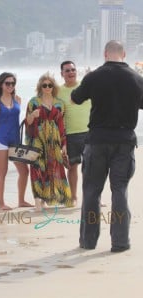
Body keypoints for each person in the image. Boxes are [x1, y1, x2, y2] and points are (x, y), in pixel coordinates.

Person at [71, 40, 143, 252]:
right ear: (124, 53)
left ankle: (88, 240)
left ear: (104, 54)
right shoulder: (136, 78)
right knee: (119, 190)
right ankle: (120, 242)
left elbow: (75, 99)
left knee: (92, 190)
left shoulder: (94, 76)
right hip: (124, 140)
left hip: (97, 139)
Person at [0, 72, 32, 210]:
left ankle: (21, 201)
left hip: (15, 139)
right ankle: (1, 204)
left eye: (13, 83)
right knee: (2, 171)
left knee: (24, 171)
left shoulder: (18, 99)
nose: (10, 86)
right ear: (1, 84)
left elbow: (23, 120)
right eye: (7, 83)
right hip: (0, 139)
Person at [25, 72, 72, 211]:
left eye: (49, 85)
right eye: (44, 85)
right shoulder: (34, 102)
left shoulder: (60, 104)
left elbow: (62, 126)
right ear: (40, 86)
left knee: (54, 168)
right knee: (37, 168)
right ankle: (38, 201)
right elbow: (27, 122)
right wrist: (32, 115)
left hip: (54, 141)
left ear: (53, 87)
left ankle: (49, 197)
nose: (47, 87)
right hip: (37, 140)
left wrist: (64, 144)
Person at [58, 61, 91, 207]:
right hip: (70, 134)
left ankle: (93, 197)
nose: (71, 72)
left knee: (92, 167)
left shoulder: (86, 87)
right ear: (62, 74)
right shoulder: (58, 91)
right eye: (67, 70)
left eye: (73, 69)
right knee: (72, 167)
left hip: (90, 133)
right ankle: (73, 197)